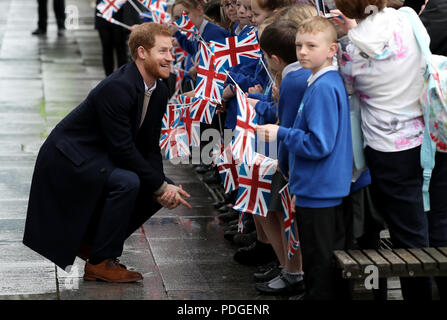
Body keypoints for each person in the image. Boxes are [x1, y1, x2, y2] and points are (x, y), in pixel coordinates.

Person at [23, 23, 192, 283]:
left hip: (99, 155)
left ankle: (94, 245)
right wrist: (158, 185)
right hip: (69, 158)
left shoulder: (160, 89)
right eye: (163, 51)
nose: (170, 57)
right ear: (142, 52)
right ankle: (101, 262)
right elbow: (122, 149)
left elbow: (148, 146)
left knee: (157, 186)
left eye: (171, 51)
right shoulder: (118, 86)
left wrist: (164, 188)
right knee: (129, 181)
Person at [332, 0, 447, 300]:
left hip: (388, 148)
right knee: (440, 224)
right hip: (431, 134)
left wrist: (351, 31)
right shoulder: (407, 18)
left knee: (407, 237)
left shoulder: (350, 52)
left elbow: (350, 89)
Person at [256, 16, 353, 300]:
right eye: (299, 45)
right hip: (316, 186)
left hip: (320, 188)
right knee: (321, 259)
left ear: (332, 50)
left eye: (312, 45)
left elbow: (319, 144)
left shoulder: (323, 86)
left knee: (319, 263)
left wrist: (281, 133)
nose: (303, 52)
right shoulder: (320, 80)